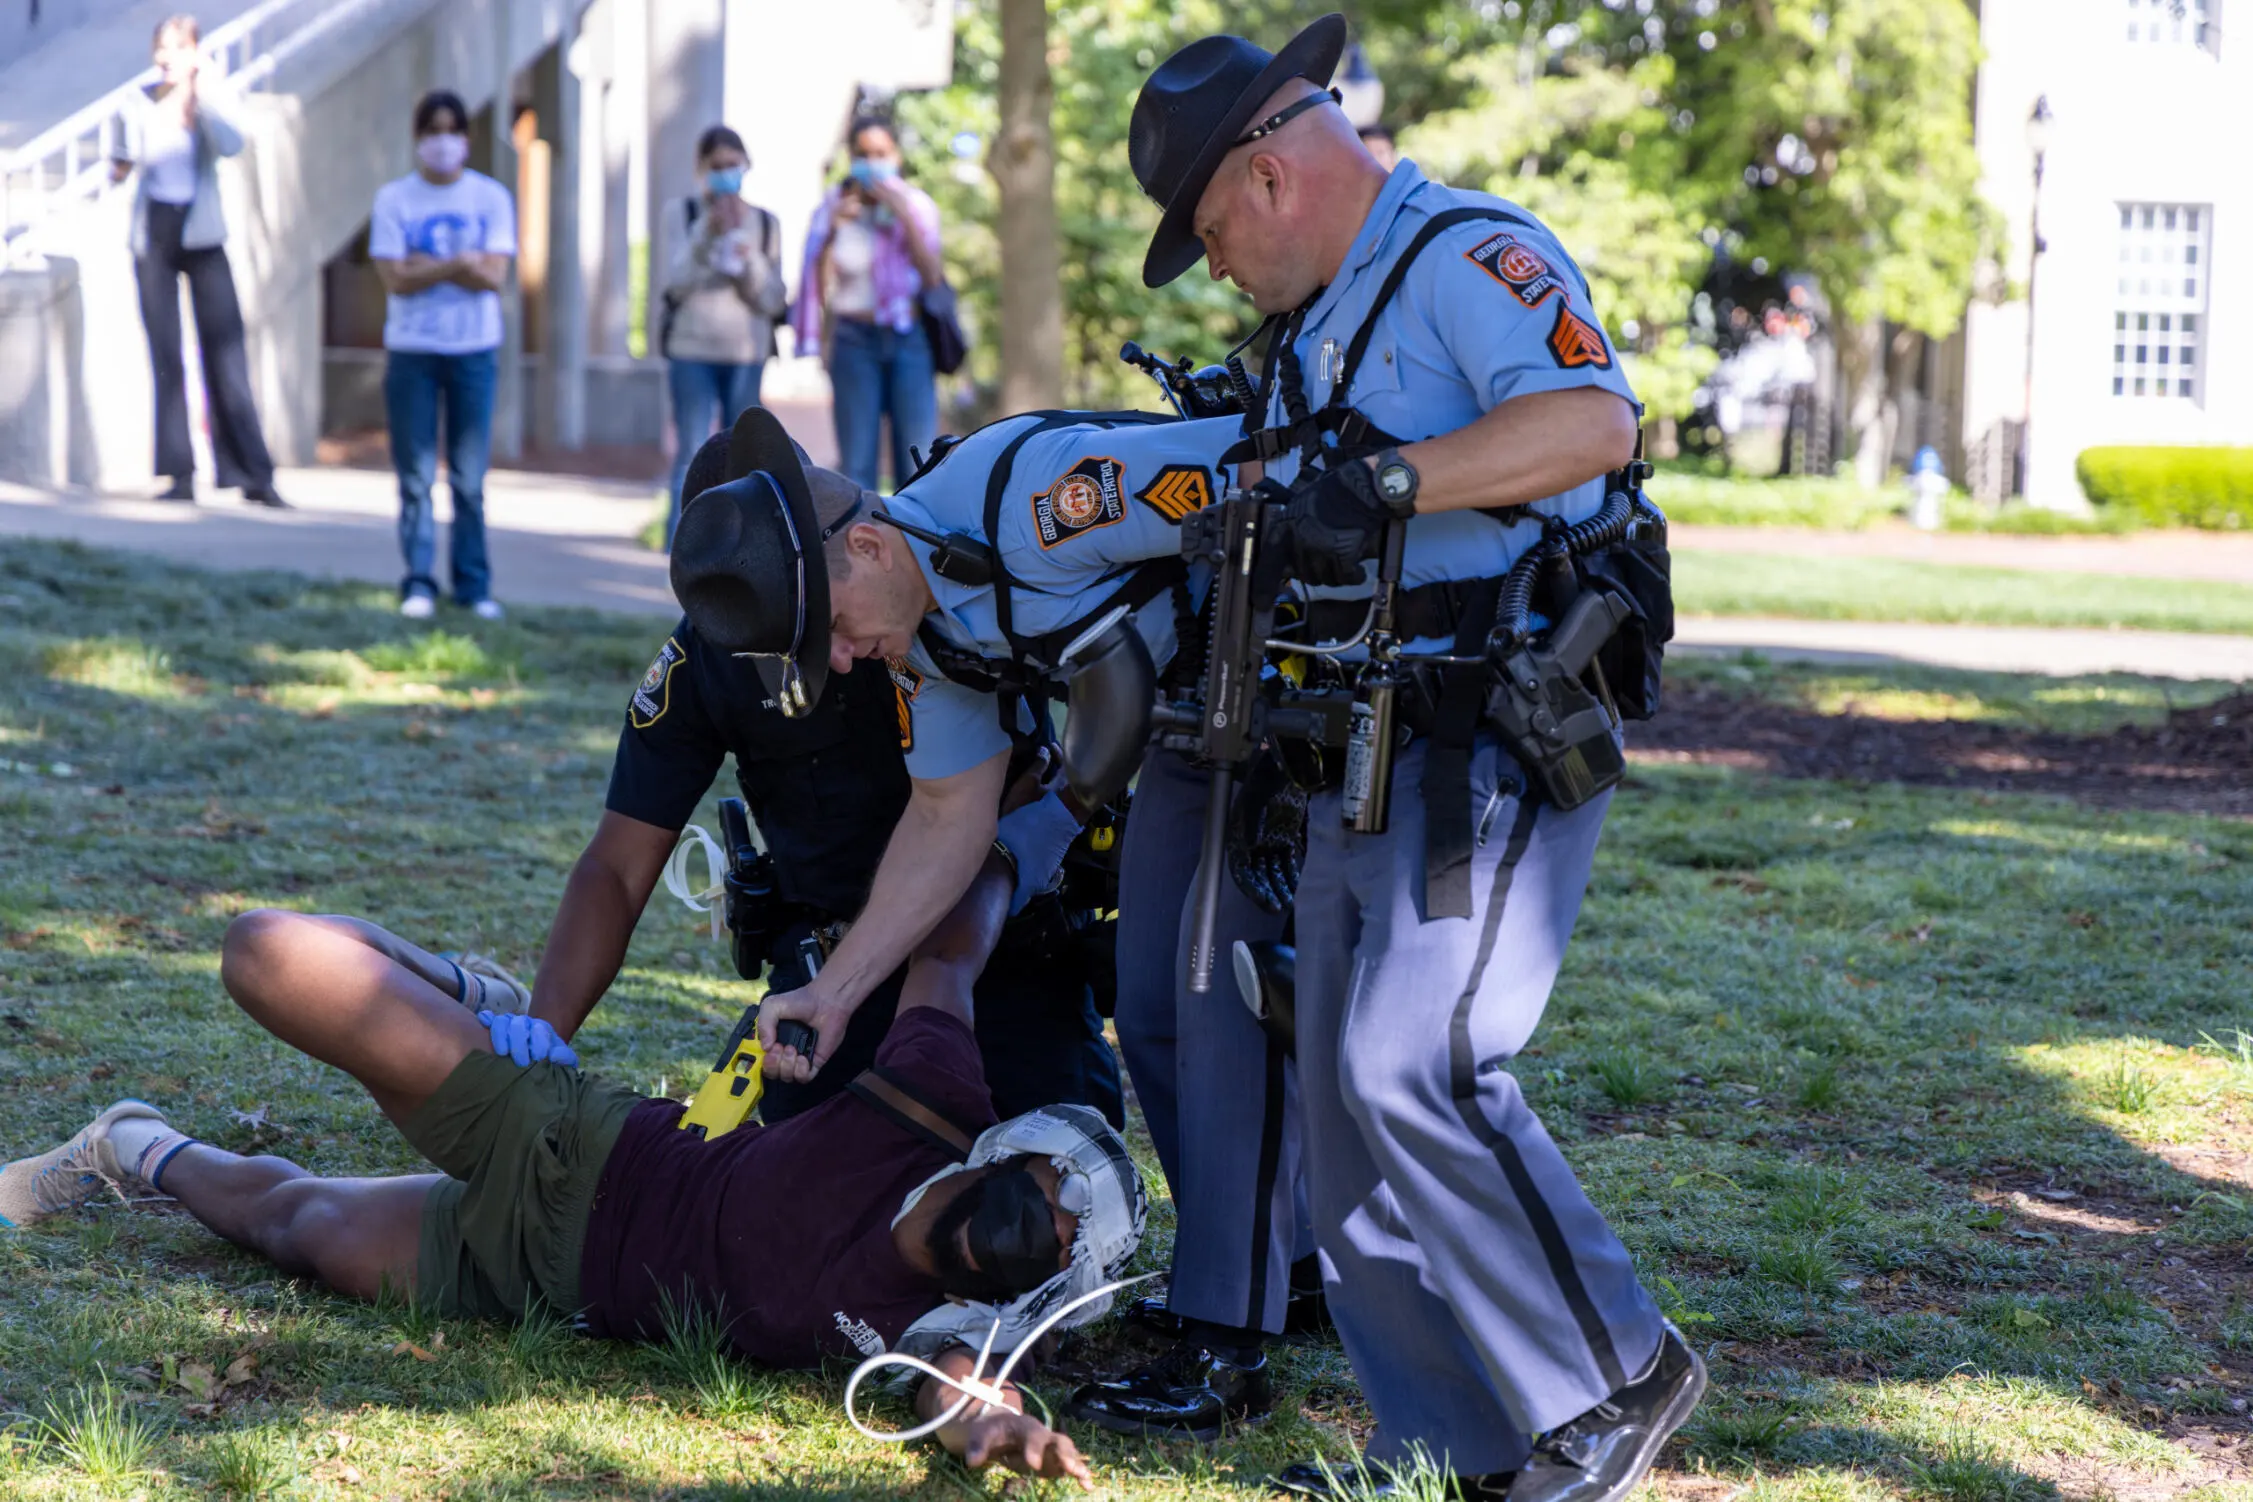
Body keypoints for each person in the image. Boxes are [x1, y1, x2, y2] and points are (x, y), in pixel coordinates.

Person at [1105, 16, 1703, 1499]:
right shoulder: (1314, 319)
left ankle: (1620, 1371)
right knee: (1346, 1091)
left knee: (1415, 1055)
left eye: (1207, 237)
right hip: (1350, 737)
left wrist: (1387, 480)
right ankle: (1459, 1445)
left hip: (1490, 728)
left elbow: (1593, 417)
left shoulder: (1467, 255)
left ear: (1266, 172)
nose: (1221, 270)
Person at [0, 841, 1143, 1491]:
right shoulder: (938, 1099)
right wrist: (1006, 842)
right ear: (1015, 1149)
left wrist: (996, 1431)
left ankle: (127, 1145)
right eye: (1054, 1187)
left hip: (547, 1283)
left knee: (297, 1227)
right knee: (264, 952)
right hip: (573, 1141)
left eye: (1061, 1241)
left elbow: (961, 1396)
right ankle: (470, 994)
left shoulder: (944, 1323)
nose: (1045, 1220)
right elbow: (949, 953)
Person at [670, 398, 1312, 1436]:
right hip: (1196, 735)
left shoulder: (1044, 504)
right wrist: (834, 990)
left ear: (868, 545)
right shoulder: (933, 636)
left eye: (830, 628)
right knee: (1154, 1004)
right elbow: (945, 813)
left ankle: (1249, 1316)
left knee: (1219, 994)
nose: (837, 661)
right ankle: (1274, 1272)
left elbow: (1255, 467)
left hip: (1282, 700)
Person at [524, 416, 1124, 1128]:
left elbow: (1053, 766)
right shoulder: (701, 663)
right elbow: (617, 868)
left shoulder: (922, 589)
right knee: (802, 1204)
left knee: (1066, 1177)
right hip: (833, 967)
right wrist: (539, 1041)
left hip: (999, 948)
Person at [109, 14, 286, 508]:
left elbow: (232, 144)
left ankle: (252, 473)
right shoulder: (137, 100)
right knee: (167, 358)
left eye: (176, 48)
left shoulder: (213, 95)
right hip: (156, 234)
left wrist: (200, 94)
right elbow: (124, 160)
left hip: (203, 231)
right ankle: (178, 473)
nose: (166, 58)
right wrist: (117, 170)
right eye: (160, 48)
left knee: (226, 354)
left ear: (194, 52)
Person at [369, 89, 517, 622]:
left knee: (469, 479)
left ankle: (474, 587)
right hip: (411, 350)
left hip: (473, 351)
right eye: (431, 131)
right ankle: (418, 581)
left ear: (467, 139)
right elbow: (394, 280)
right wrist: (460, 262)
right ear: (418, 138)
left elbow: (494, 277)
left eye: (451, 130)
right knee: (414, 476)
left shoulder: (491, 198)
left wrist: (426, 265)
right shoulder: (394, 200)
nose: (442, 141)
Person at [792, 117, 944, 492]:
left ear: (896, 155)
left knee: (918, 462)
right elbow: (818, 287)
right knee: (857, 465)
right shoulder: (831, 210)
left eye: (881, 153)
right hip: (854, 340)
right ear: (850, 157)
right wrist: (832, 231)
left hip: (909, 339)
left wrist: (903, 215)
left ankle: (915, 549)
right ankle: (862, 545)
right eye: (863, 154)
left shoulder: (917, 205)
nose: (872, 162)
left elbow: (933, 277)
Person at [656, 126, 789, 547]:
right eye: (717, 167)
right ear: (702, 169)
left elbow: (772, 299)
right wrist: (707, 236)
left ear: (746, 166)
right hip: (691, 350)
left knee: (744, 456)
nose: (726, 174)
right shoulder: (681, 215)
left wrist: (747, 258)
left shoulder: (766, 224)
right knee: (692, 451)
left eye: (734, 165)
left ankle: (739, 550)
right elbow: (673, 284)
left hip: (745, 354)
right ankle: (682, 550)